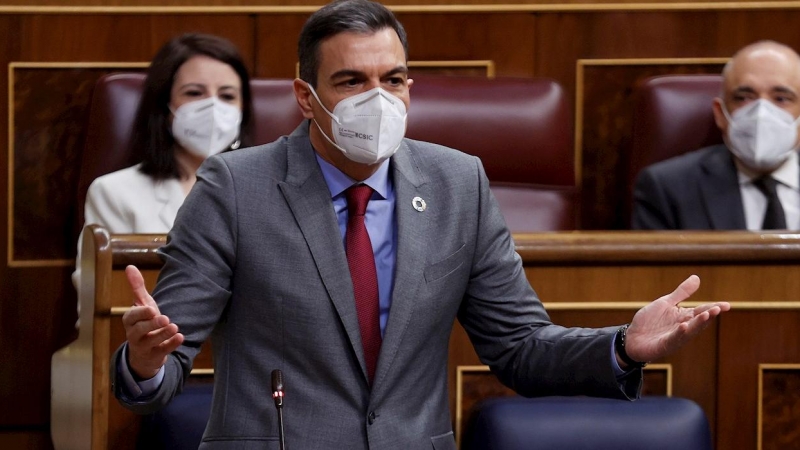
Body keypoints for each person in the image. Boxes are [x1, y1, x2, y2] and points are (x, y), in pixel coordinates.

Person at [112, 1, 729, 448]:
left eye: (393, 79)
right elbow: (166, 363)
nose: (376, 98)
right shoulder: (236, 186)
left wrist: (622, 345)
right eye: (351, 81)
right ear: (306, 97)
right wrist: (144, 361)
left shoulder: (458, 182)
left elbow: (519, 348)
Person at [71, 33, 254, 319]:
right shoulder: (115, 192)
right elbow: (98, 311)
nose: (213, 108)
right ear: (164, 106)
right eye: (194, 93)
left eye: (227, 96)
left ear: (243, 110)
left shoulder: (272, 191)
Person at [632, 40, 800, 230]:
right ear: (720, 114)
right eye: (743, 98)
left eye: (781, 99)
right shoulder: (666, 188)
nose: (761, 112)